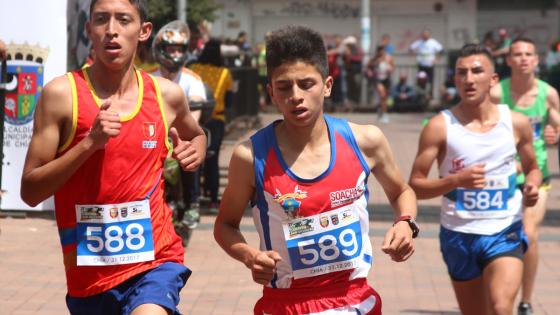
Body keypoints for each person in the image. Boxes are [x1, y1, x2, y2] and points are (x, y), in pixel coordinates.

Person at [214, 25, 418, 314]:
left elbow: (401, 191)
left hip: (353, 299)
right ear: (271, 92)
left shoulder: (365, 141)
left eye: (306, 84)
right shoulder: (250, 156)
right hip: (286, 304)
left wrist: (405, 223)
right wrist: (249, 255)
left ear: (327, 85)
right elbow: (225, 225)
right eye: (284, 87)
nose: (296, 95)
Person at [19, 1, 207, 314]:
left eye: (123, 20)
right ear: (88, 29)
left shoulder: (166, 95)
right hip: (89, 273)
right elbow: (30, 191)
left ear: (144, 31)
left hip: (155, 260)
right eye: (101, 20)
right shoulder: (61, 96)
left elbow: (196, 134)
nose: (112, 31)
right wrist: (88, 144)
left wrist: (197, 148)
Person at [409, 43, 541, 315]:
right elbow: (415, 186)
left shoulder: (515, 123)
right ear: (455, 79)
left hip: (505, 230)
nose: (469, 79)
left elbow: (533, 167)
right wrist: (456, 181)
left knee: (501, 306)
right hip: (459, 235)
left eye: (477, 71)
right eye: (462, 73)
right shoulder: (439, 126)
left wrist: (532, 185)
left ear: (493, 79)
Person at [489, 37, 560, 315]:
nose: (523, 59)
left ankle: (526, 300)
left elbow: (556, 125)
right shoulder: (497, 94)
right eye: (517, 54)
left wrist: (555, 134)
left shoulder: (548, 94)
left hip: (536, 174)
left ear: (536, 59)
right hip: (502, 176)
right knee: (500, 236)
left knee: (528, 233)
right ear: (508, 60)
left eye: (528, 54)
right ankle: (499, 295)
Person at [151, 20, 207, 230]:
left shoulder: (193, 80)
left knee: (190, 156)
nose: (174, 53)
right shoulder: (148, 77)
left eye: (178, 49)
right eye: (170, 49)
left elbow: (195, 117)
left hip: (184, 135)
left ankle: (192, 203)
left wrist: (180, 140)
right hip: (154, 136)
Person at [189, 39, 234, 213]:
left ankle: (194, 198)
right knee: (212, 159)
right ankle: (214, 200)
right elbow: (229, 101)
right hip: (217, 120)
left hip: (195, 118)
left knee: (194, 159)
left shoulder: (193, 70)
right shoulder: (225, 73)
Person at [409, 29, 444, 96]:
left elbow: (441, 51)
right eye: (424, 34)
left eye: (426, 34)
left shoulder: (433, 42)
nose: (425, 35)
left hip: (430, 65)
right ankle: (420, 95)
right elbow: (411, 48)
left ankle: (430, 95)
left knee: (430, 82)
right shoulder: (419, 42)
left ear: (429, 35)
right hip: (421, 65)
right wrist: (415, 57)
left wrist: (436, 60)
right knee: (420, 81)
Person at [366, 45, 394, 122]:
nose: (381, 52)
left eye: (382, 50)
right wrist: (369, 71)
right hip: (378, 79)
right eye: (379, 50)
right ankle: (384, 114)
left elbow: (393, 67)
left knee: (384, 98)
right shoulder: (375, 59)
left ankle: (382, 111)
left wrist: (390, 69)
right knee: (382, 95)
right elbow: (368, 67)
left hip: (386, 79)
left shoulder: (389, 58)